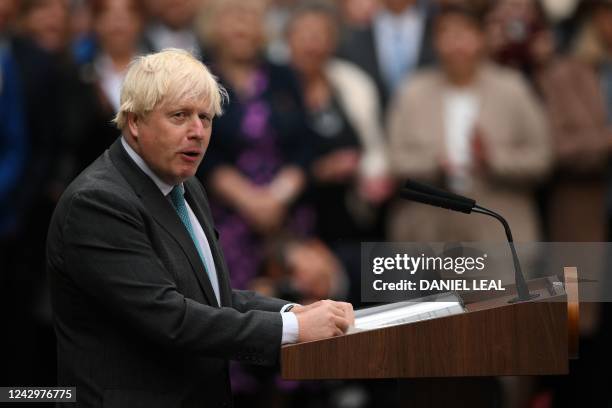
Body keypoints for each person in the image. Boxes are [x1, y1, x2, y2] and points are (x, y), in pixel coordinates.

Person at [46, 48, 354, 408]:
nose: (197, 132)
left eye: (205, 118)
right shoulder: (98, 202)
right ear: (134, 123)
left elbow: (211, 297)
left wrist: (291, 312)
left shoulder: (186, 185)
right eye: (179, 116)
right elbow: (171, 318)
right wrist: (294, 331)